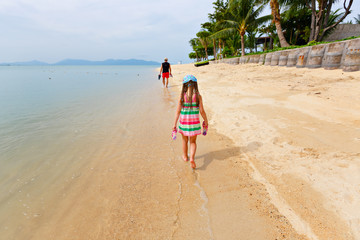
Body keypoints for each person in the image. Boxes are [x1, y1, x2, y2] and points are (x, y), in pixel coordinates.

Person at [173, 75, 208, 169]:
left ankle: (185, 157)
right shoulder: (198, 97)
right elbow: (202, 111)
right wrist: (206, 120)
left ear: (184, 85)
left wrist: (174, 125)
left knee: (184, 140)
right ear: (195, 85)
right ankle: (192, 158)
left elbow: (177, 112)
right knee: (193, 142)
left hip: (184, 123)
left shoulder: (182, 96)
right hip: (195, 124)